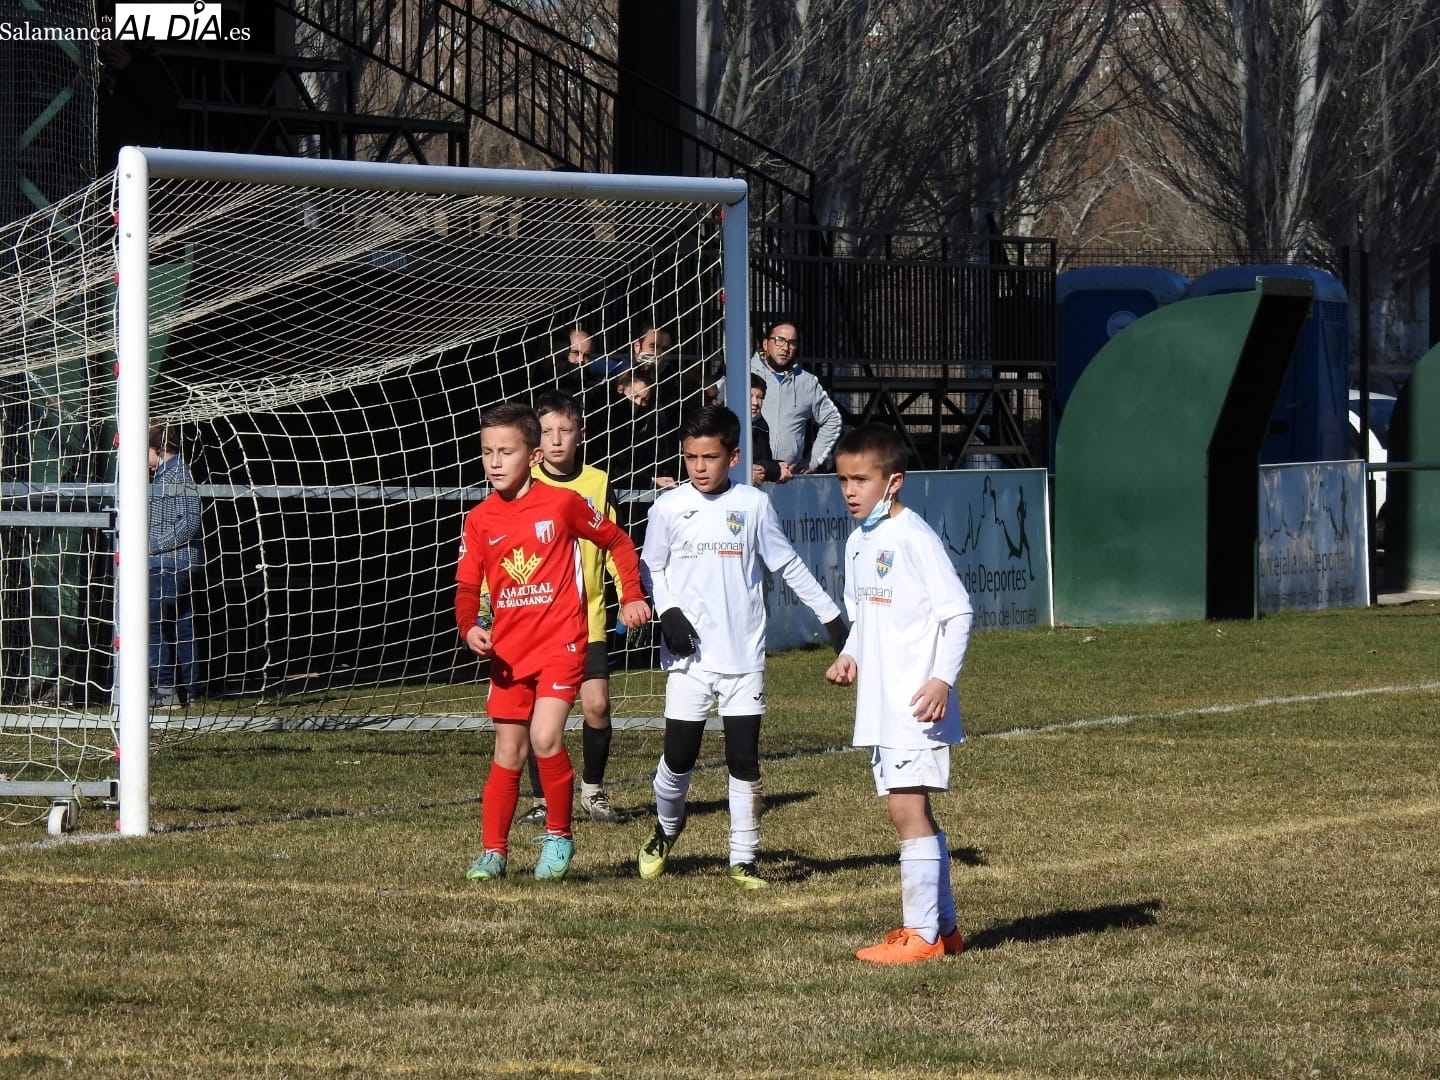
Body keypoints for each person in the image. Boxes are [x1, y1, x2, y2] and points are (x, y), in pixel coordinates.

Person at [636, 405, 847, 888]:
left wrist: (833, 619)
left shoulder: (752, 505)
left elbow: (787, 564)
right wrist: (668, 611)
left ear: (732, 457)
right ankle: (666, 830)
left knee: (743, 758)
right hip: (689, 658)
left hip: (743, 655)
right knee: (679, 756)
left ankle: (743, 858)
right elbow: (653, 568)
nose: (698, 467)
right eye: (690, 458)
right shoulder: (668, 507)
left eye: (709, 458)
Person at [454, 401, 652, 881]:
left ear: (534, 456)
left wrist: (631, 594)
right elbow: (465, 586)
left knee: (544, 738)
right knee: (508, 752)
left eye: (506, 452)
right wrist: (469, 627)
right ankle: (493, 852)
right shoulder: (480, 519)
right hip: (509, 651)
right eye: (487, 453)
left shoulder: (561, 504)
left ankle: (558, 836)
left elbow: (618, 542)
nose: (495, 462)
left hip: (563, 644)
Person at [825, 423, 973, 964]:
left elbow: (958, 614)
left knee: (905, 810)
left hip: (916, 702)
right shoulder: (858, 539)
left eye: (861, 480)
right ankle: (944, 930)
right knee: (911, 811)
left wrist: (941, 680)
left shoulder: (914, 537)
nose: (849, 491)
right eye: (843, 479)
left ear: (894, 483)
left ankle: (921, 936)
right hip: (883, 704)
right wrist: (851, 654)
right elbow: (864, 615)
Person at [514, 389, 625, 827]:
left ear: (581, 433)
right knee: (538, 716)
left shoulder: (597, 483)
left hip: (588, 618)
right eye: (547, 432)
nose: (557, 440)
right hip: (537, 621)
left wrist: (630, 593)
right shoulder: (525, 482)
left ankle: (593, 791)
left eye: (565, 430)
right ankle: (542, 800)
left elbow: (614, 542)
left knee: (596, 705)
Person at [148, 424, 204, 708]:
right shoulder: (162, 475)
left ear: (158, 449)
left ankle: (165, 689)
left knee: (152, 625)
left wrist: (153, 545)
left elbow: (189, 522)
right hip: (175, 564)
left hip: (170, 564)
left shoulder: (178, 473)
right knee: (181, 626)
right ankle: (187, 692)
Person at [749, 320, 843, 474]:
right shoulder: (743, 374)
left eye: (792, 343)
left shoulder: (808, 382)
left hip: (790, 479)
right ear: (765, 344)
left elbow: (833, 419)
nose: (785, 348)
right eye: (779, 340)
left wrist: (813, 460)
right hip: (749, 476)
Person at [748, 373, 788, 485]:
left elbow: (761, 462)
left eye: (760, 397)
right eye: (750, 396)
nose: (755, 403)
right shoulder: (725, 424)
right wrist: (776, 469)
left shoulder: (761, 425)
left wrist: (779, 466)